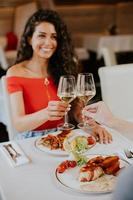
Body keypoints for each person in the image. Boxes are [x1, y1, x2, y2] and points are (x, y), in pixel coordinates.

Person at [6, 9, 111, 142]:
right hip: (30, 140)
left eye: (54, 37)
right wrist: (46, 114)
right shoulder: (15, 72)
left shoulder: (64, 68)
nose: (48, 43)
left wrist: (93, 126)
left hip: (64, 136)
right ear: (29, 39)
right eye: (42, 36)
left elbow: (77, 112)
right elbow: (19, 124)